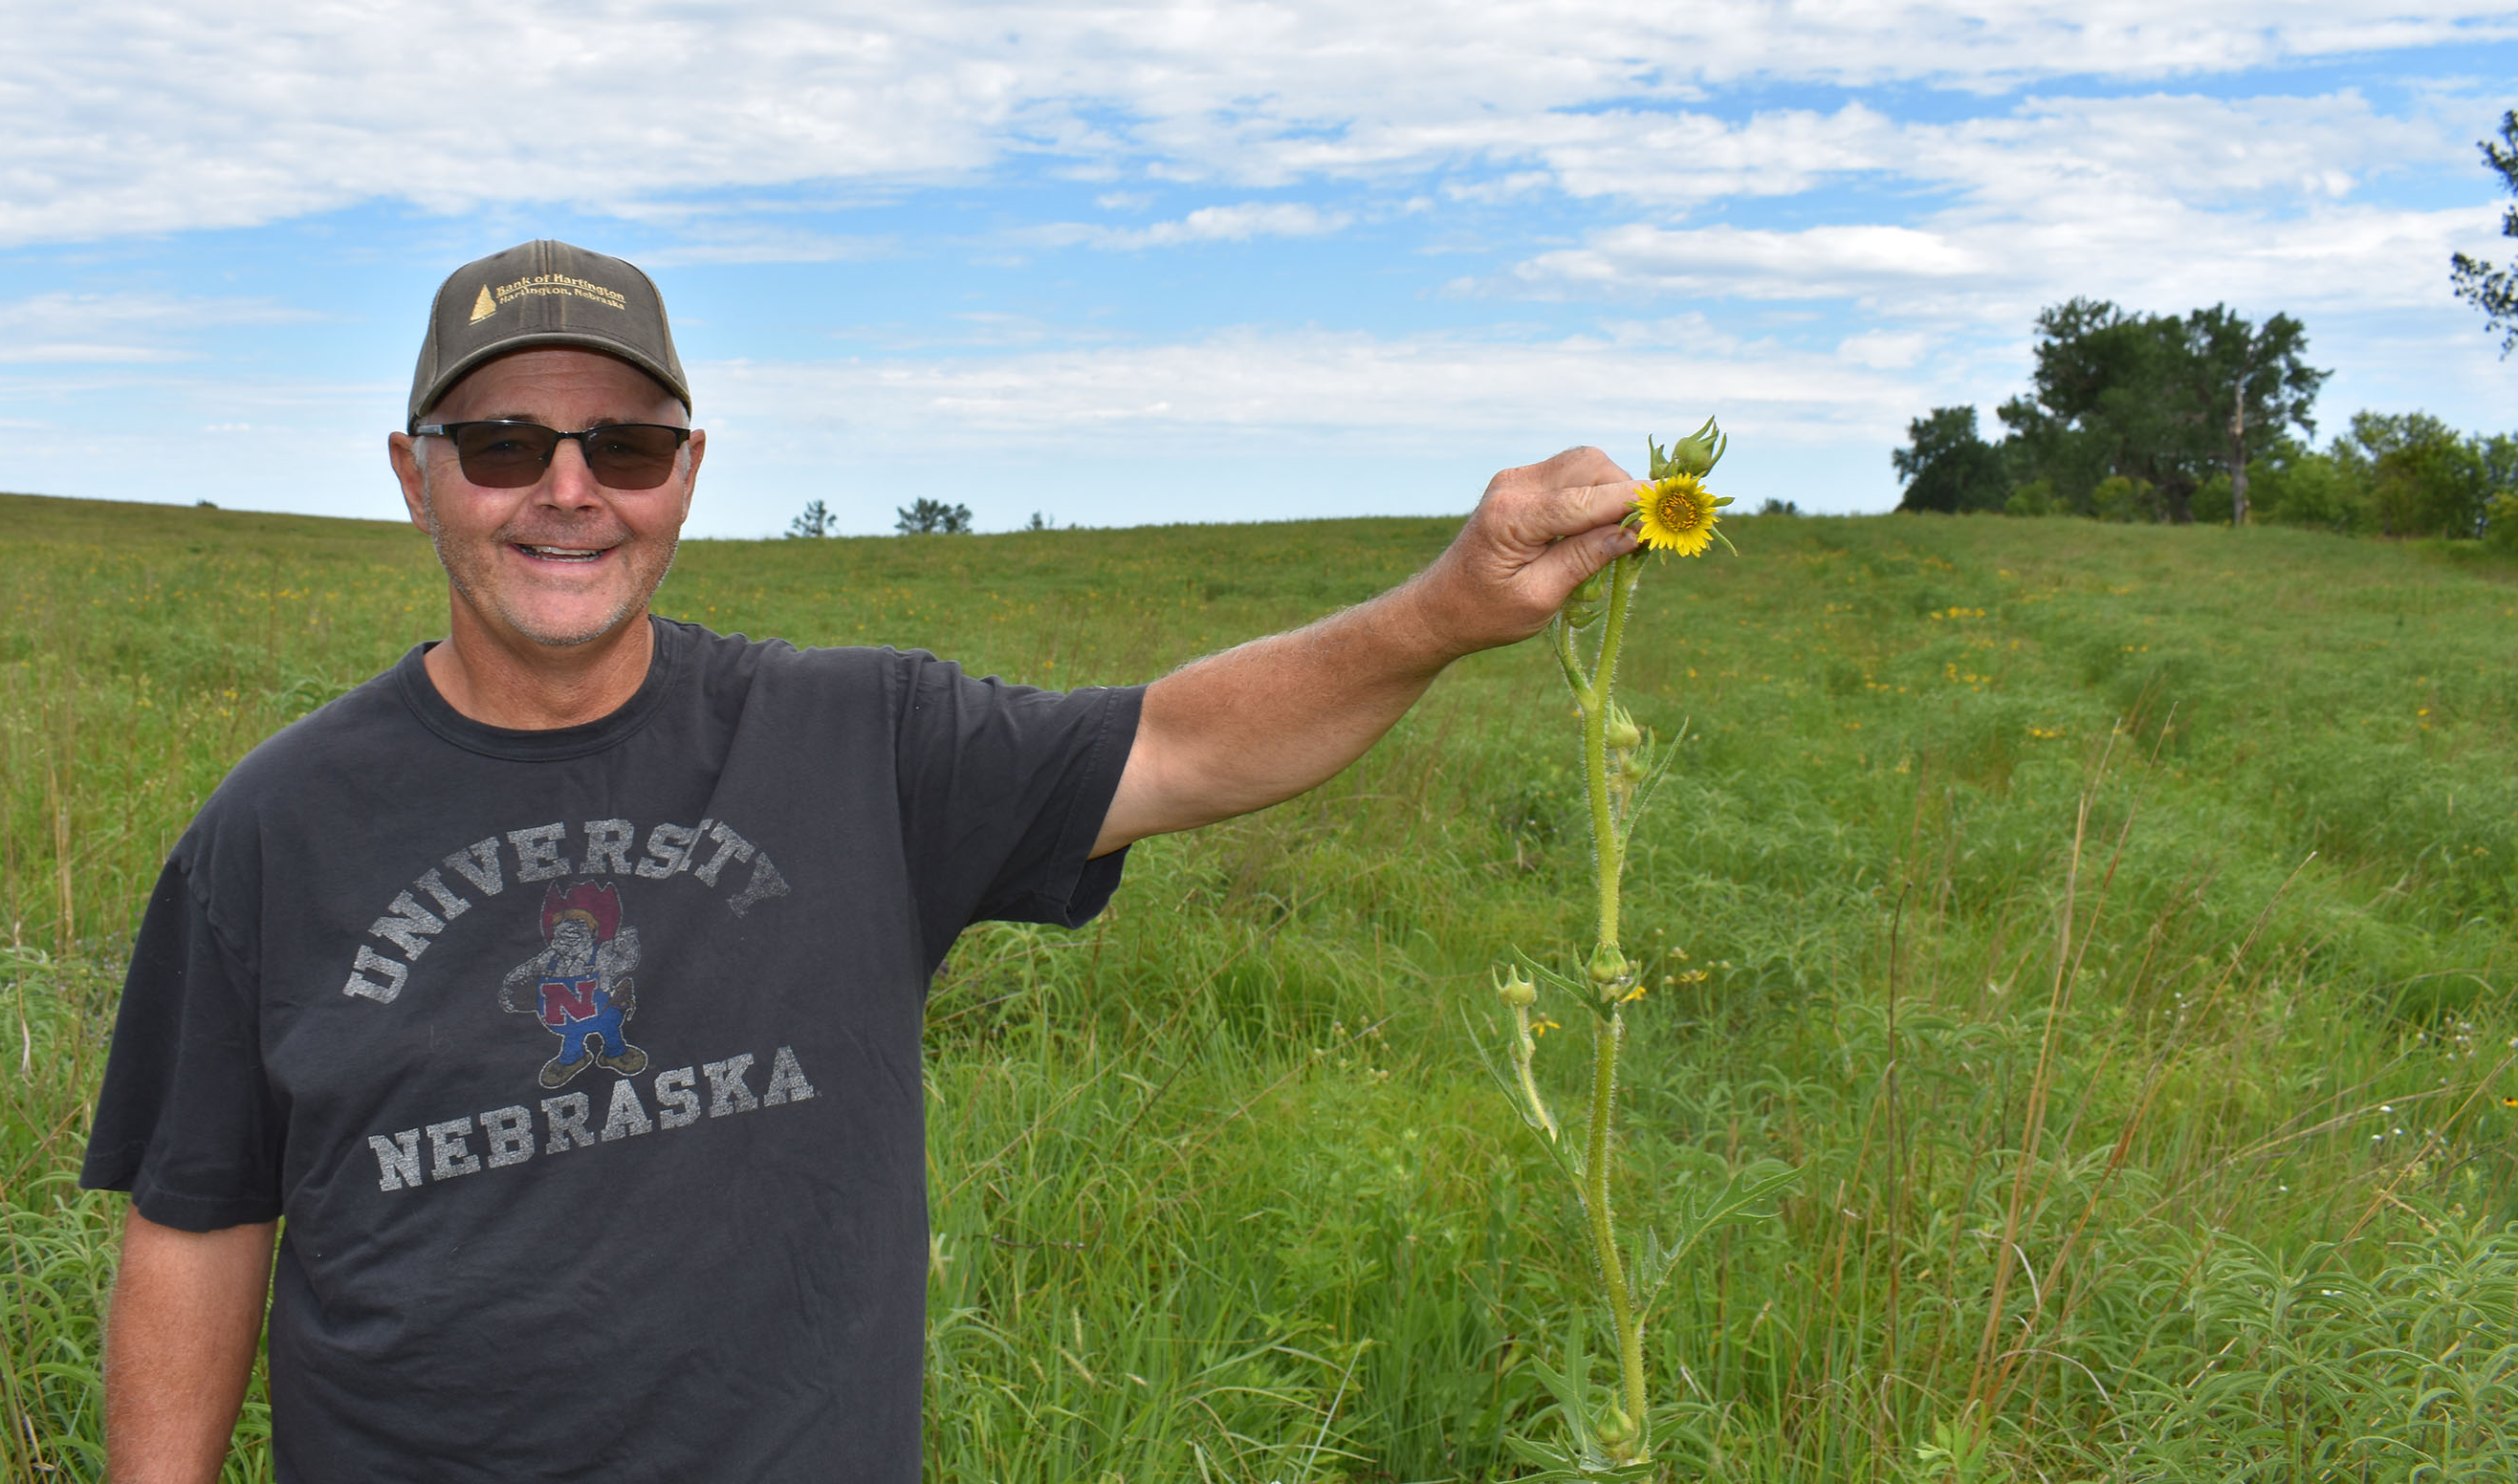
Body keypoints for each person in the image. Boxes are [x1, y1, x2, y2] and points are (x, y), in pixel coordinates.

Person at [81, 237, 1642, 1484]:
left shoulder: (861, 743)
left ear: (687, 474)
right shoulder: (276, 827)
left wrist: (1439, 610)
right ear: (416, 475)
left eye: (624, 446)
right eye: (503, 443)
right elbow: (199, 1215)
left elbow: (1178, 748)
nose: (569, 489)